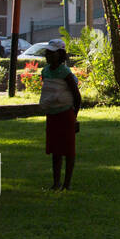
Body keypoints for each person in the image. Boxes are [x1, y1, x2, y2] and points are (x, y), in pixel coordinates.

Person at [39, 39, 82, 191]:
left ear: (61, 55)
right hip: (52, 114)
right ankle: (56, 183)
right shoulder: (45, 71)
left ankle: (67, 184)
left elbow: (76, 96)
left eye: (52, 53)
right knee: (55, 150)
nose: (48, 56)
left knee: (68, 150)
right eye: (47, 53)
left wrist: (74, 116)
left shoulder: (65, 73)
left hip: (66, 114)